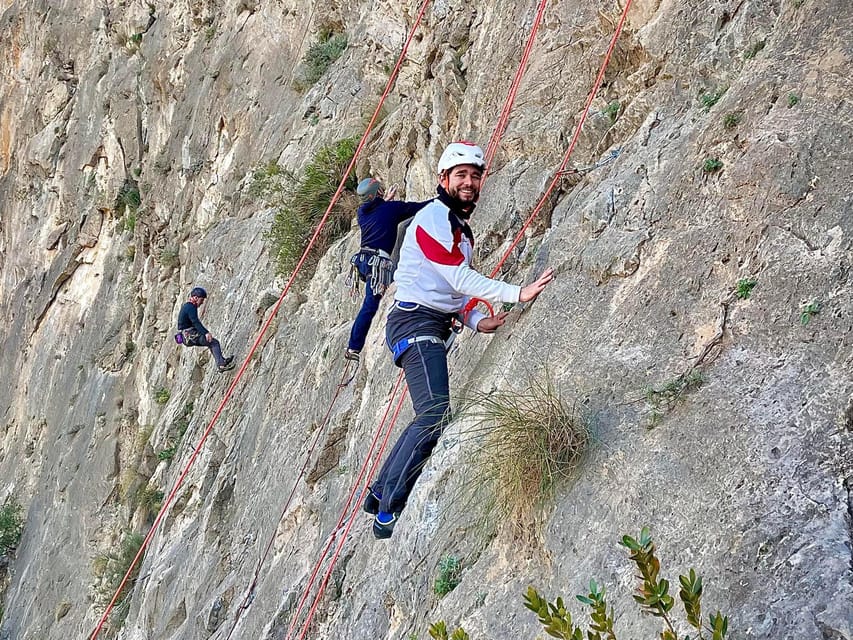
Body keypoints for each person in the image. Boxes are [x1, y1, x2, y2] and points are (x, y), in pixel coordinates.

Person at [364, 142, 555, 539]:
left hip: (425, 321)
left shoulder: (457, 229)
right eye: (461, 175)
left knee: (426, 413)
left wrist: (474, 320)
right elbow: (458, 279)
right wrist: (517, 292)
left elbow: (449, 290)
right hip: (415, 323)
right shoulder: (434, 217)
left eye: (475, 175)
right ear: (443, 180)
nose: (469, 182)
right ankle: (388, 510)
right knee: (434, 414)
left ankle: (379, 491)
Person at [344, 177, 431, 362]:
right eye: (381, 190)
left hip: (363, 260)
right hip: (378, 262)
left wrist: (385, 201)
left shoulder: (362, 213)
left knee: (369, 304)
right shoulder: (392, 209)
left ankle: (353, 345)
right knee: (370, 304)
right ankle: (354, 347)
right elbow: (419, 207)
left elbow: (379, 213)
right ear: (377, 193)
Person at [176, 287, 236, 372]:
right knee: (214, 343)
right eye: (201, 300)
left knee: (210, 343)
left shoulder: (187, 306)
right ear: (196, 298)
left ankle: (221, 361)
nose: (202, 302)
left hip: (186, 336)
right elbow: (195, 322)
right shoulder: (191, 307)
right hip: (189, 335)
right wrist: (206, 333)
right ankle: (221, 365)